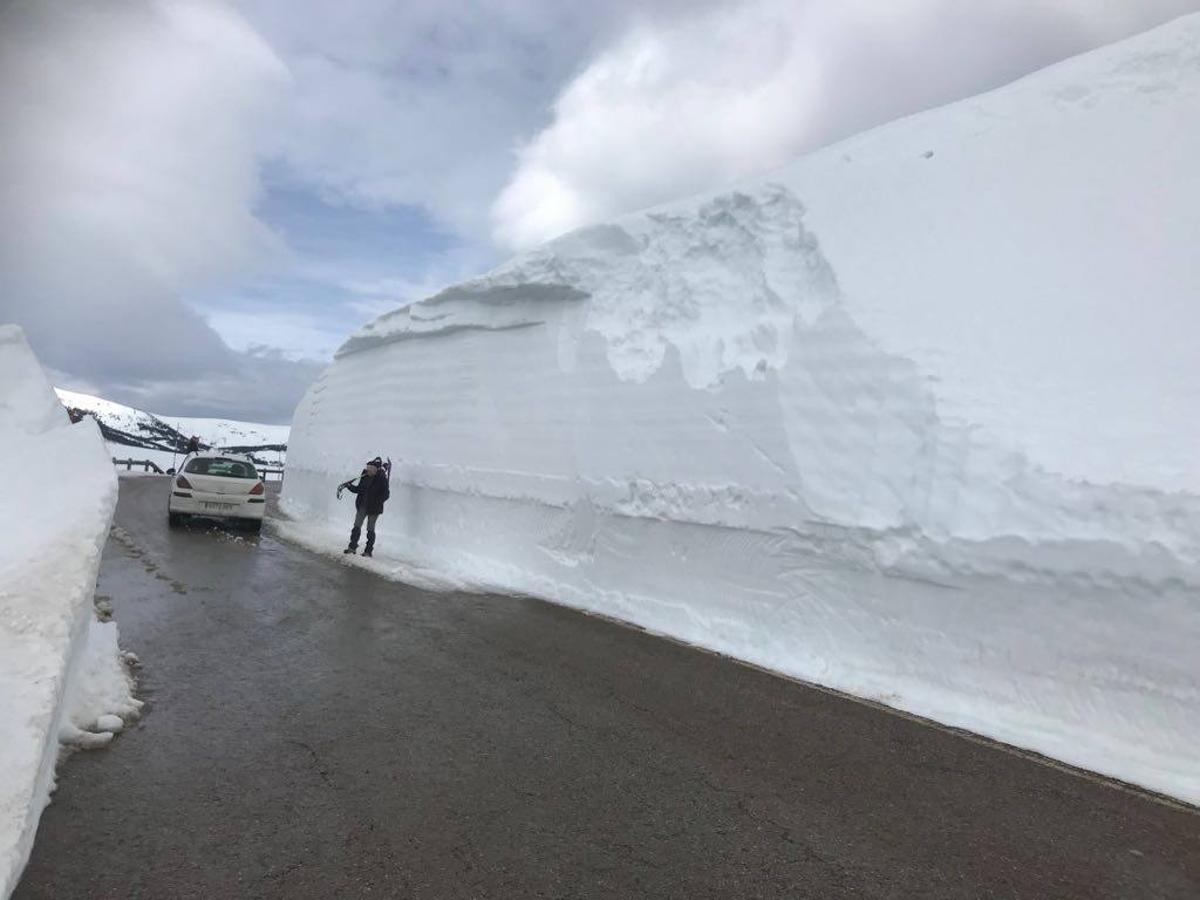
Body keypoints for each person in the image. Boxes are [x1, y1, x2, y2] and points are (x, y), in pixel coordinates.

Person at [341, 457, 390, 557]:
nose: (369, 470)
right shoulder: (364, 476)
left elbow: (386, 495)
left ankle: (368, 551)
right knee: (356, 526)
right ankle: (352, 548)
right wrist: (349, 486)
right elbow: (359, 489)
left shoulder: (382, 479)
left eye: (371, 468)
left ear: (376, 470)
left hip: (374, 508)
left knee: (370, 529)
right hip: (362, 505)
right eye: (368, 468)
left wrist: (378, 501)